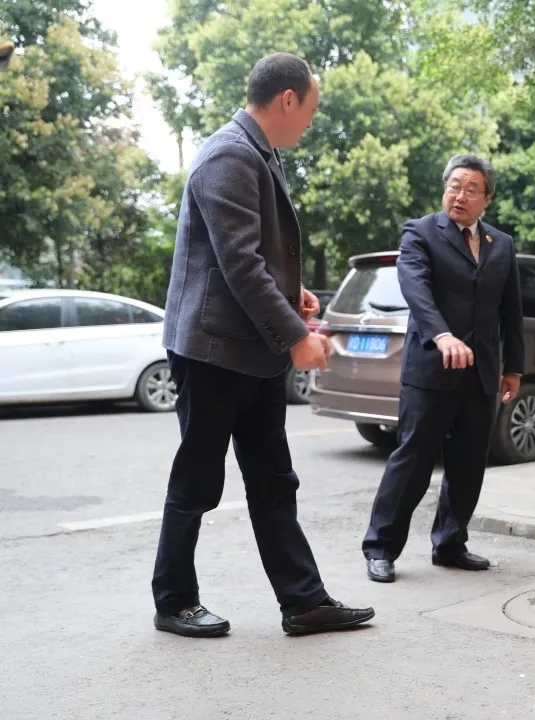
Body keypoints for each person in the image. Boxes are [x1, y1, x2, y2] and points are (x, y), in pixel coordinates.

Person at [153, 52, 374, 638]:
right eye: (311, 109)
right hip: (212, 351)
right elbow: (240, 266)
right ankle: (173, 601)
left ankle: (304, 602)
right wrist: (298, 339)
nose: (312, 121)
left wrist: (293, 294)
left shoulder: (260, 152)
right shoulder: (228, 154)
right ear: (287, 99)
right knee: (198, 480)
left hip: (251, 350)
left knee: (275, 480)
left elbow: (253, 257)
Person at [362, 154, 525, 583]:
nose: (460, 196)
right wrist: (441, 335)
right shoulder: (420, 233)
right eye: (454, 186)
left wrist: (514, 367)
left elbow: (511, 311)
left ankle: (450, 544)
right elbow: (415, 288)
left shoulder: (501, 244)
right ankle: (380, 547)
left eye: (471, 189)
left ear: (487, 198)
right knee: (412, 462)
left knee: (468, 465)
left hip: (481, 373)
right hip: (431, 370)